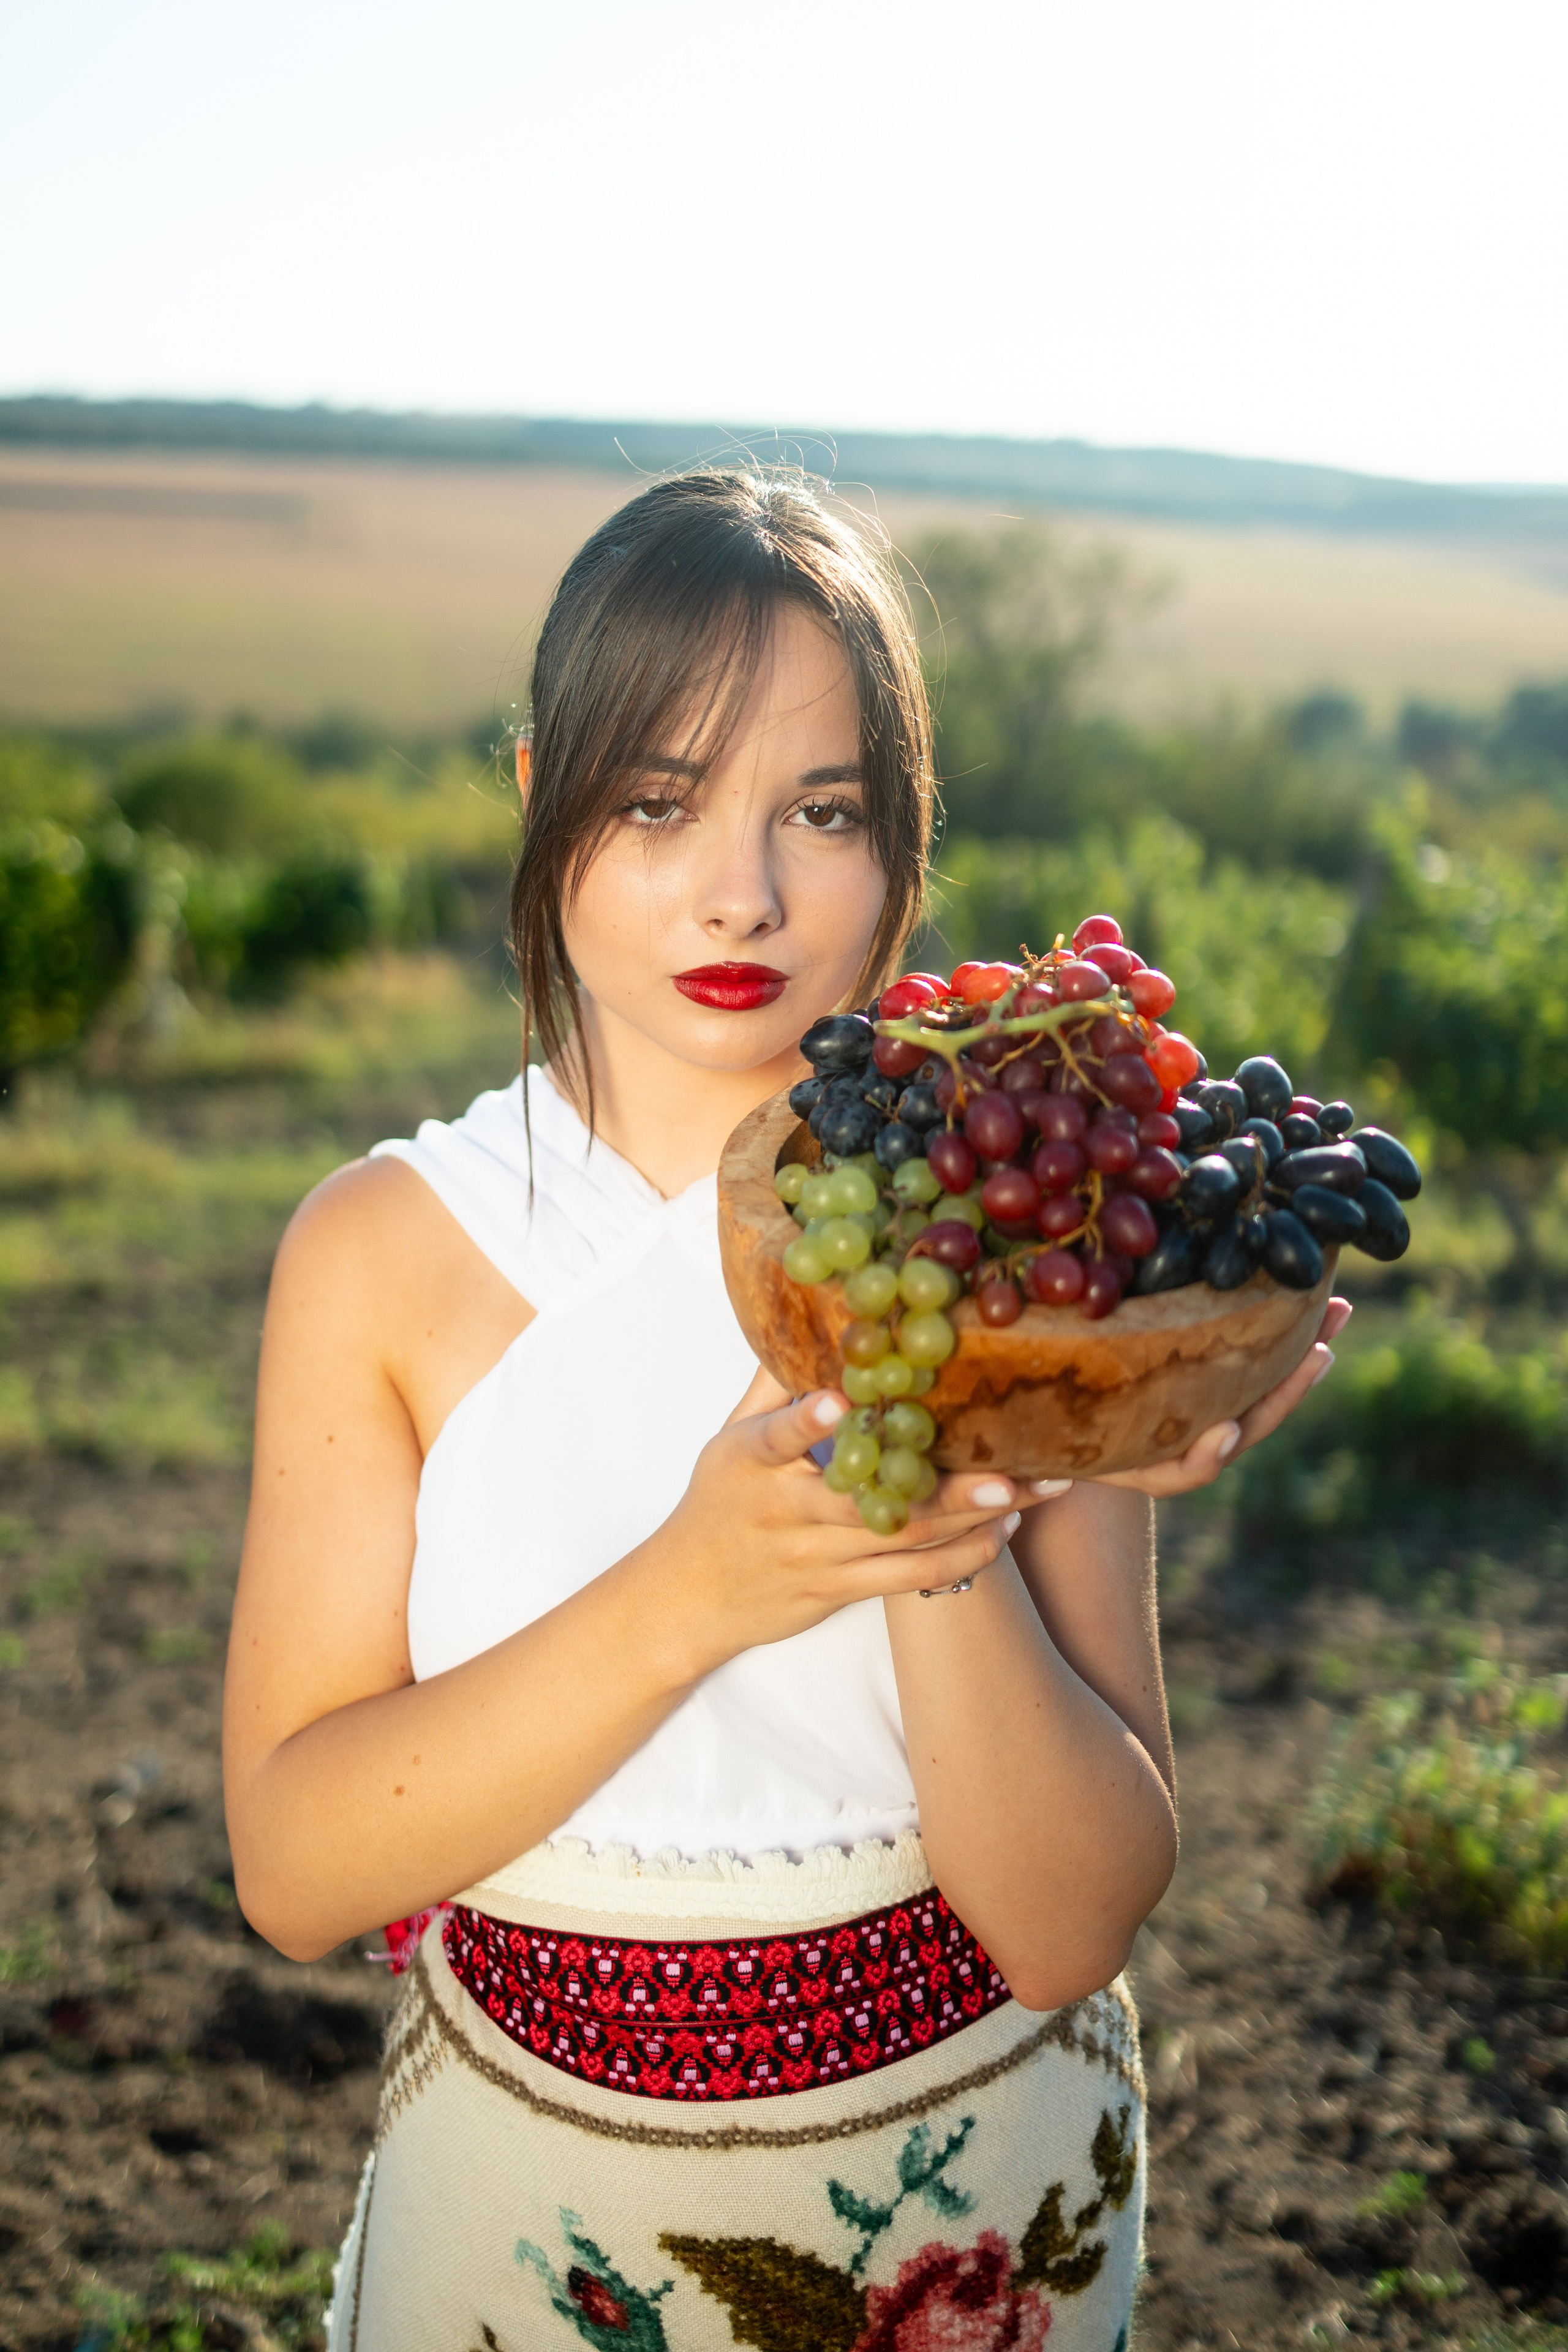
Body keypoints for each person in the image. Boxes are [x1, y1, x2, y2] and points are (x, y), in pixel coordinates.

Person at [223, 469, 1348, 2352]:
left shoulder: (1023, 1240)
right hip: (530, 2233)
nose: (737, 890)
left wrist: (956, 1484)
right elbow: (299, 1864)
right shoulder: (381, 1255)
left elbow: (1072, 1923)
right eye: (655, 803)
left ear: (904, 846)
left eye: (819, 811)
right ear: (537, 800)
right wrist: (694, 1592)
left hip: (975, 2221)